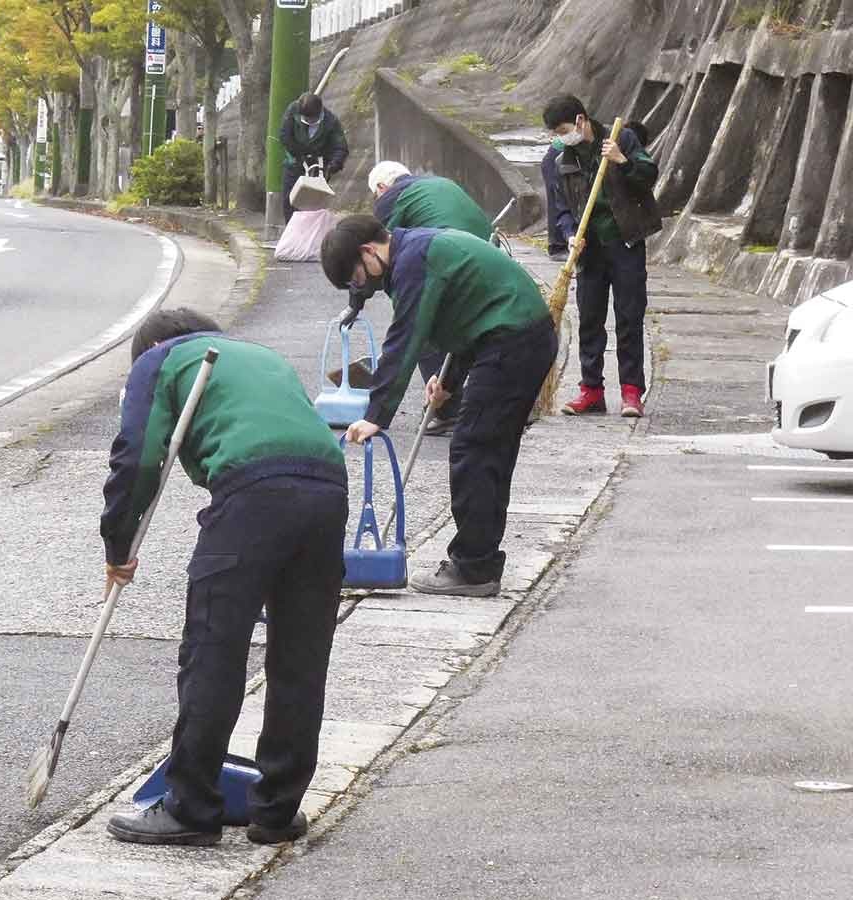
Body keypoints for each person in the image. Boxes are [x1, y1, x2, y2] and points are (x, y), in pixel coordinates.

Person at [101, 308, 349, 847]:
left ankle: (190, 808)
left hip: (251, 494)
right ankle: (276, 811)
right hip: (328, 489)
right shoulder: (262, 356)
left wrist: (117, 544)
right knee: (300, 656)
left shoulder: (159, 360)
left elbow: (139, 457)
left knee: (215, 647)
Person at [320, 216, 556, 598]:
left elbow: (405, 338)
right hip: (516, 337)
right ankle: (480, 562)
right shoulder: (415, 249)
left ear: (368, 251)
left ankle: (473, 567)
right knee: (488, 453)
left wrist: (374, 416)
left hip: (512, 341)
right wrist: (447, 383)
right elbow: (464, 315)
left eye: (357, 279)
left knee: (474, 451)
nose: (362, 288)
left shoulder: (414, 260)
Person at [542, 94, 661, 418]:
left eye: (563, 129)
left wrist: (623, 160)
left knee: (629, 316)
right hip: (590, 249)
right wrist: (569, 235)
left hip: (625, 242)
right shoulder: (561, 160)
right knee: (590, 319)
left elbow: (649, 175)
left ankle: (631, 392)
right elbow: (562, 209)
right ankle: (591, 391)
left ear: (581, 121)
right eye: (555, 133)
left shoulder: (621, 137)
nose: (559, 138)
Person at [365, 160, 495, 435]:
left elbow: (382, 254)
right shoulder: (439, 182)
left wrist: (356, 300)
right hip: (485, 257)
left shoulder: (389, 199)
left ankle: (447, 409)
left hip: (447, 255)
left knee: (422, 326)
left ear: (380, 187)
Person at [278, 92, 348, 225]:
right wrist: (299, 155)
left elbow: (340, 147)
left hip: (319, 168)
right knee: (290, 201)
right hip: (295, 164)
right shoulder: (293, 110)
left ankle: (311, 235)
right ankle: (292, 233)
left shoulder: (330, 121)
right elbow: (285, 136)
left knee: (314, 207)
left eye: (312, 119)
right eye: (306, 119)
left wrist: (333, 165)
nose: (309, 122)